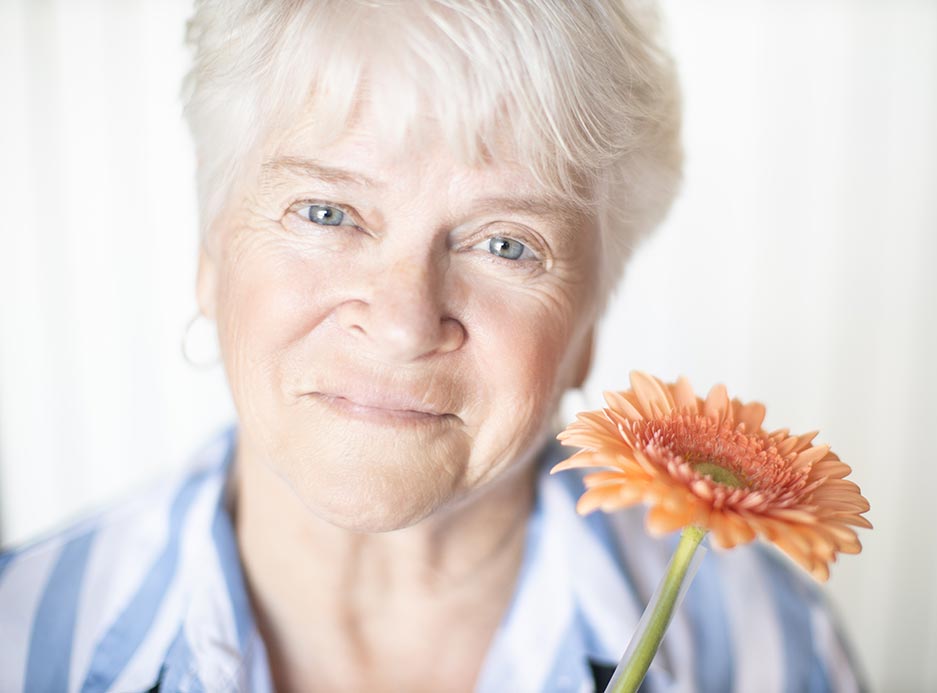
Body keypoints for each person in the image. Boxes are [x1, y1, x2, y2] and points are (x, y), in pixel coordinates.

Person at [0, 1, 863, 691]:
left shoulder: (770, 656)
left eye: (507, 244)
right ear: (209, 253)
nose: (406, 319)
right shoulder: (23, 633)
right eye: (327, 213)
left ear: (587, 328)